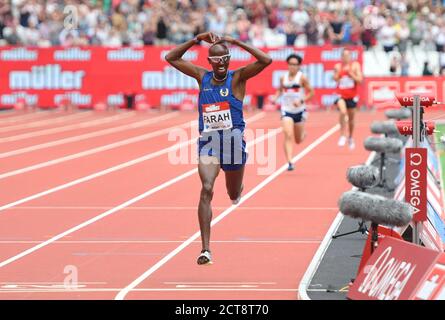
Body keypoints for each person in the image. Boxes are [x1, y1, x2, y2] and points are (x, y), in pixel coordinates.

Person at [165, 32, 272, 265]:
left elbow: (266, 61)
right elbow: (171, 57)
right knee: (206, 187)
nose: (221, 63)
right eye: (217, 60)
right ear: (209, 62)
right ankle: (206, 250)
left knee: (232, 193)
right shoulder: (201, 77)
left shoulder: (238, 78)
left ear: (230, 59)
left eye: (225, 59)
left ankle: (238, 188)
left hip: (233, 143)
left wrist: (237, 42)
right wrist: (195, 39)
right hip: (209, 142)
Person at [272, 54, 314, 171]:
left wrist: (301, 100)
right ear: (288, 65)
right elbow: (280, 90)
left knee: (298, 140)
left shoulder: (302, 78)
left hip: (299, 111)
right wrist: (275, 98)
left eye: (295, 64)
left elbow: (311, 92)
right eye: (290, 64)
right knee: (288, 134)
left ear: (299, 66)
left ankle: (302, 134)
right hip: (286, 110)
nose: (292, 67)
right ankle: (290, 161)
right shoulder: (283, 78)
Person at [333, 48, 363, 150]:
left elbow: (360, 80)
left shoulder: (355, 66)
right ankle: (342, 135)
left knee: (351, 120)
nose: (345, 57)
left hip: (352, 96)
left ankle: (350, 137)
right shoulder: (338, 66)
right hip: (341, 95)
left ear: (350, 56)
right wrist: (339, 74)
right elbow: (335, 79)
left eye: (347, 55)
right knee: (342, 111)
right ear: (341, 57)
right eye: (344, 56)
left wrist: (351, 74)